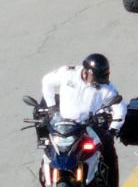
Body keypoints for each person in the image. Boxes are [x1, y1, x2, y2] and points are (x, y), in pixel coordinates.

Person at [40, 55, 127, 187]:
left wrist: (114, 129)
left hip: (89, 125)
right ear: (87, 72)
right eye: (97, 78)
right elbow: (47, 82)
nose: (99, 81)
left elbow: (120, 107)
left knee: (109, 150)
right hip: (62, 124)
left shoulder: (106, 87)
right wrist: (51, 107)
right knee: (48, 147)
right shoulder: (67, 73)